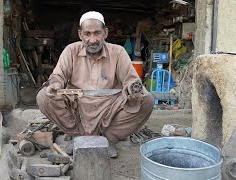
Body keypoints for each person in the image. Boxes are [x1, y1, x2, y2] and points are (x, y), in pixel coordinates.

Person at [36, 11, 154, 157]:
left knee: (147, 100)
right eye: (87, 34)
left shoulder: (118, 52)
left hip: (110, 108)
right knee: (43, 96)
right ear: (80, 34)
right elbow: (58, 76)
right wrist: (55, 84)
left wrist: (134, 88)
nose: (92, 40)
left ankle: (108, 139)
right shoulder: (71, 50)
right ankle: (78, 137)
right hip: (77, 107)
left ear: (105, 33)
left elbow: (131, 80)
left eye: (97, 33)